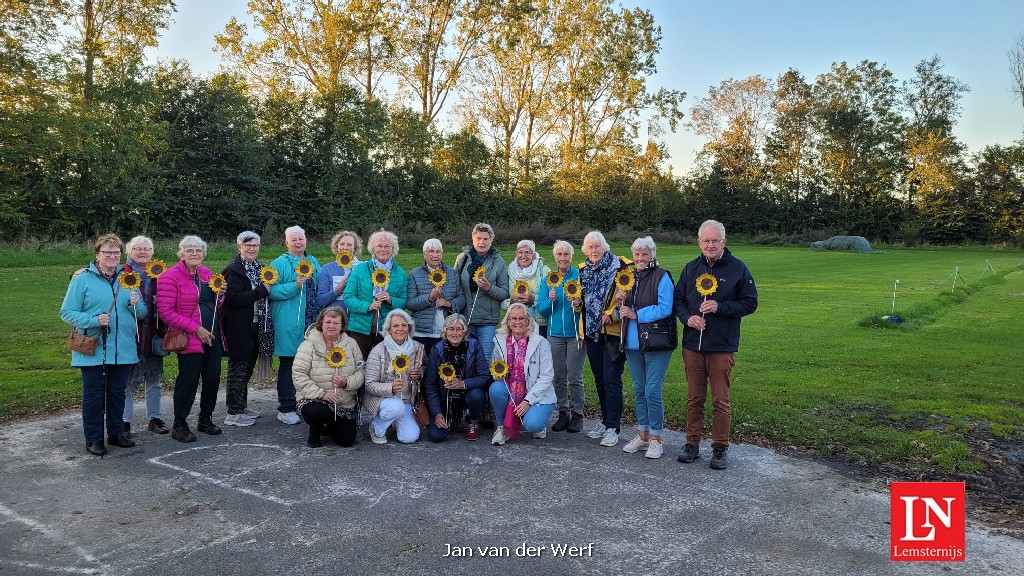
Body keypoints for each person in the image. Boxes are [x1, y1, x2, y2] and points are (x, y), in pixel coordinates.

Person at [674, 220, 758, 470]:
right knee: (694, 398)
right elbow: (678, 301)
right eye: (706, 241)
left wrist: (720, 307)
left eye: (715, 241)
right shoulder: (691, 268)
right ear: (699, 242)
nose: (710, 245)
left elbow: (750, 303)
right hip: (692, 344)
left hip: (722, 345)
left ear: (724, 242)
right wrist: (688, 318)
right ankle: (692, 443)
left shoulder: (738, 269)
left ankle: (720, 447)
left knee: (720, 401)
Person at [61, 233, 145, 455]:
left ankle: (116, 434)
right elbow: (66, 312)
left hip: (122, 347)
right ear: (97, 254)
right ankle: (93, 439)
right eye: (106, 252)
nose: (111, 256)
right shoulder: (82, 279)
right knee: (94, 395)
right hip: (93, 347)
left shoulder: (129, 278)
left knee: (118, 392)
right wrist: (93, 320)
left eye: (116, 252)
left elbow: (143, 313)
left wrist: (134, 304)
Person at [157, 235, 223, 443]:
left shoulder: (206, 274)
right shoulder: (170, 276)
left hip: (212, 334)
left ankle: (205, 418)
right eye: (190, 250)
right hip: (190, 336)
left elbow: (214, 303)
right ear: (182, 253)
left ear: (203, 253)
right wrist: (196, 329)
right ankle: (180, 423)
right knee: (189, 380)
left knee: (212, 378)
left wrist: (221, 295)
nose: (195, 254)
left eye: (198, 251)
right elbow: (166, 312)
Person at [617, 237, 676, 459]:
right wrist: (619, 303)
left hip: (656, 342)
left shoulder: (662, 276)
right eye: (637, 254)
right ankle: (642, 435)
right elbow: (620, 312)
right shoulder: (628, 276)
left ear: (652, 255)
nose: (640, 258)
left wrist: (636, 314)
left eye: (644, 254)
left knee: (652, 390)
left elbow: (665, 308)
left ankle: (656, 439)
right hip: (632, 343)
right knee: (639, 390)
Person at [571, 230, 630, 447]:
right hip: (592, 332)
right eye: (589, 247)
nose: (593, 250)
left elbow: (627, 295)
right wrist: (576, 303)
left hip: (613, 333)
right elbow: (580, 303)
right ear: (585, 250)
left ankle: (614, 427)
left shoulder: (620, 267)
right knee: (599, 378)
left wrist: (613, 314)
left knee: (612, 378)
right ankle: (605, 422)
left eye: (597, 246)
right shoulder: (583, 270)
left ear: (604, 247)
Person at [268, 225, 322, 426]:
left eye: (301, 239)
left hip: (311, 322)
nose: (298, 243)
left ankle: (303, 401)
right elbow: (271, 291)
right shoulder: (279, 263)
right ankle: (286, 407)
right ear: (286, 243)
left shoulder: (313, 261)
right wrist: (295, 285)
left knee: (309, 364)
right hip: (289, 322)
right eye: (294, 240)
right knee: (288, 365)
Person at [221, 231, 273, 427]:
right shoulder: (233, 270)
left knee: (247, 367)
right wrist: (259, 291)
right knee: (237, 369)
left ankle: (241, 405)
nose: (252, 249)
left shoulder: (260, 268)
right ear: (239, 247)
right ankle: (233, 413)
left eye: (255, 245)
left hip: (256, 325)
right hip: (238, 326)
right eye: (247, 245)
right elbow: (232, 299)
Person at [294, 307, 364, 448]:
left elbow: (361, 370)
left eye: (336, 323)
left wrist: (347, 382)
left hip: (344, 403)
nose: (332, 326)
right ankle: (315, 429)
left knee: (346, 441)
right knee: (317, 413)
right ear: (321, 323)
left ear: (342, 325)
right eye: (328, 322)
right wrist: (322, 394)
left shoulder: (351, 344)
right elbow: (298, 374)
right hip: (315, 399)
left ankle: (330, 425)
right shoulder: (308, 345)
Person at [488, 303, 556, 445]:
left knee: (532, 425)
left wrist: (528, 401)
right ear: (508, 321)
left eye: (521, 318)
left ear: (528, 320)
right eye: (513, 318)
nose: (517, 322)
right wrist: (498, 375)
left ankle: (539, 424)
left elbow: (546, 376)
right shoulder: (499, 341)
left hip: (537, 394)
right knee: (496, 388)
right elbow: (495, 368)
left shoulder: (541, 343)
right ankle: (502, 427)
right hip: (511, 391)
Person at [120, 235, 168, 437]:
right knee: (126, 380)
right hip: (129, 332)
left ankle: (154, 418)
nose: (142, 252)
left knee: (154, 377)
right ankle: (124, 421)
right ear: (129, 252)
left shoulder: (161, 272)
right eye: (138, 249)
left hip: (154, 332)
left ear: (152, 252)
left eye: (146, 249)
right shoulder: (121, 272)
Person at [537, 240, 585, 433]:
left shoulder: (580, 276)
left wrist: (579, 302)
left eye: (566, 255)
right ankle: (563, 411)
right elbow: (542, 309)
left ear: (571, 256)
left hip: (575, 333)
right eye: (559, 255)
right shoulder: (548, 279)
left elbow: (587, 305)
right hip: (554, 334)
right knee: (558, 375)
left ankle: (578, 413)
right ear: (554, 257)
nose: (563, 258)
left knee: (574, 376)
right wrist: (550, 300)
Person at [421, 314, 490, 442]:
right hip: (444, 398)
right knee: (437, 436)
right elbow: (430, 385)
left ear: (465, 332)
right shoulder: (437, 349)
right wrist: (437, 413)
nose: (455, 333)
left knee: (477, 395)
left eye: (459, 329)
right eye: (451, 329)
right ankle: (446, 417)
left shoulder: (475, 346)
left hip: (468, 393)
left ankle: (473, 421)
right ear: (445, 331)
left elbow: (485, 376)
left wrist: (463, 383)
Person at [343, 229, 408, 362]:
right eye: (379, 246)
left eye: (387, 246)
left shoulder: (400, 273)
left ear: (393, 249)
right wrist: (368, 306)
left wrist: (391, 300)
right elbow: (348, 297)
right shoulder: (360, 269)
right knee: (359, 364)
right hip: (360, 328)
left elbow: (404, 302)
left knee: (383, 366)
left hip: (387, 329)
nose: (383, 249)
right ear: (373, 248)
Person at [364, 310, 424, 444]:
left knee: (409, 437)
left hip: (407, 400)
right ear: (388, 329)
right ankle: (376, 428)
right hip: (384, 400)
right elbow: (369, 384)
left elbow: (425, 366)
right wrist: (390, 387)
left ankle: (394, 421)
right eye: (395, 326)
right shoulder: (378, 350)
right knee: (396, 407)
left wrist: (420, 373)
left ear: (409, 328)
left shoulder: (418, 348)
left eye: (404, 325)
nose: (400, 329)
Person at [454, 223, 508, 364]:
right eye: (478, 238)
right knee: (465, 359)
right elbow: (455, 287)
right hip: (465, 319)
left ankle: (484, 386)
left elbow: (504, 293)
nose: (482, 242)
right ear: (473, 239)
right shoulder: (462, 259)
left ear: (491, 241)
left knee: (484, 359)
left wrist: (489, 288)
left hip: (487, 321)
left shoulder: (499, 262)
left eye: (486, 239)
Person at [407, 238, 465, 352]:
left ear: (442, 254)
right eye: (431, 251)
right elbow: (410, 303)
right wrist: (429, 298)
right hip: (422, 332)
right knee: (423, 366)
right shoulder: (415, 274)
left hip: (447, 331)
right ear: (424, 254)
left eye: (438, 252)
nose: (435, 255)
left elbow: (462, 298)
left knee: (445, 368)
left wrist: (449, 304)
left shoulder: (452, 274)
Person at [503, 239, 550, 337]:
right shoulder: (508, 272)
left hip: (539, 323)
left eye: (527, 252)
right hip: (516, 324)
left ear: (533, 255)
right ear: (516, 253)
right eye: (520, 252)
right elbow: (501, 300)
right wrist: (511, 301)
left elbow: (552, 297)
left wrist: (534, 299)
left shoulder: (544, 271)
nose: (523, 256)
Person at [317, 230, 362, 312]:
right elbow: (321, 300)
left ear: (354, 248)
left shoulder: (361, 268)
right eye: (342, 244)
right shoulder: (327, 269)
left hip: (356, 319)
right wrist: (336, 291)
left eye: (349, 245)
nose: (345, 248)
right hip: (335, 321)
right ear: (336, 247)